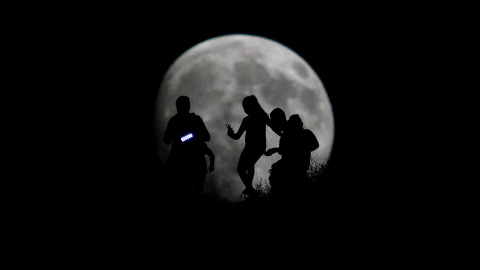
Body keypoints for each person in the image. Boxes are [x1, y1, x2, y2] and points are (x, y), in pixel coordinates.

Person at [163, 96, 211, 200]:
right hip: (182, 161)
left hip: (193, 161)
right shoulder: (175, 120)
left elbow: (207, 137)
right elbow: (166, 139)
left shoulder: (194, 120)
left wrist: (189, 137)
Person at [266, 114, 319, 197]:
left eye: (298, 121)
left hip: (299, 164)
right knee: (275, 170)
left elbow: (315, 145)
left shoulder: (306, 133)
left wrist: (277, 150)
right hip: (292, 164)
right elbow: (285, 152)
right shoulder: (287, 136)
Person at [227, 95, 269, 197]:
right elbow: (273, 126)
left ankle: (250, 189)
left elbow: (236, 136)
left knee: (243, 167)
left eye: (245, 107)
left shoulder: (249, 119)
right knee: (249, 165)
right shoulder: (262, 116)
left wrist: (230, 133)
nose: (245, 110)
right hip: (257, 147)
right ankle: (250, 188)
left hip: (253, 147)